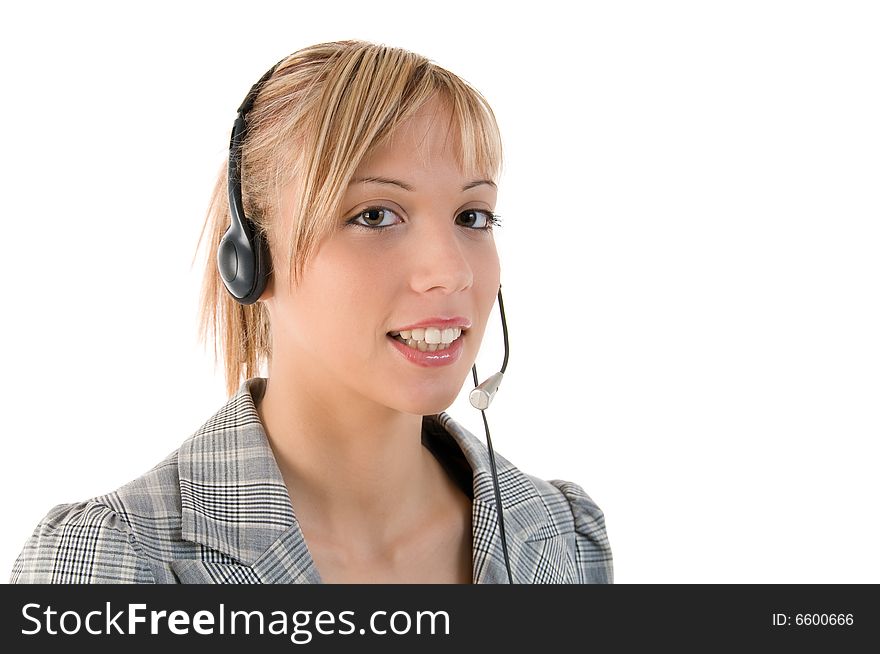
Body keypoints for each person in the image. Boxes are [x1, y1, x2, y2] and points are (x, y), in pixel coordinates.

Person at [10, 40, 613, 584]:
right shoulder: (116, 558)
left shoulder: (561, 535)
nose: (451, 271)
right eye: (375, 215)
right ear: (251, 261)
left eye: (472, 217)